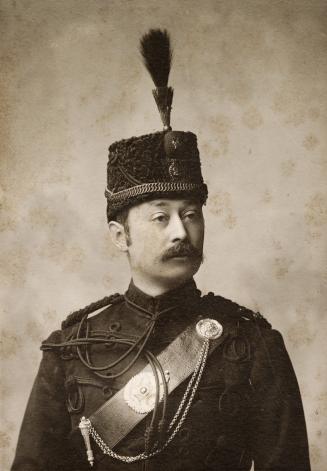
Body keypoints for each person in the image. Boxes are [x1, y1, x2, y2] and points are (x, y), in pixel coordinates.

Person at [11, 29, 311, 471]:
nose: (181, 232)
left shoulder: (250, 343)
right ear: (119, 235)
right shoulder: (70, 350)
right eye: (161, 216)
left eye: (191, 214)